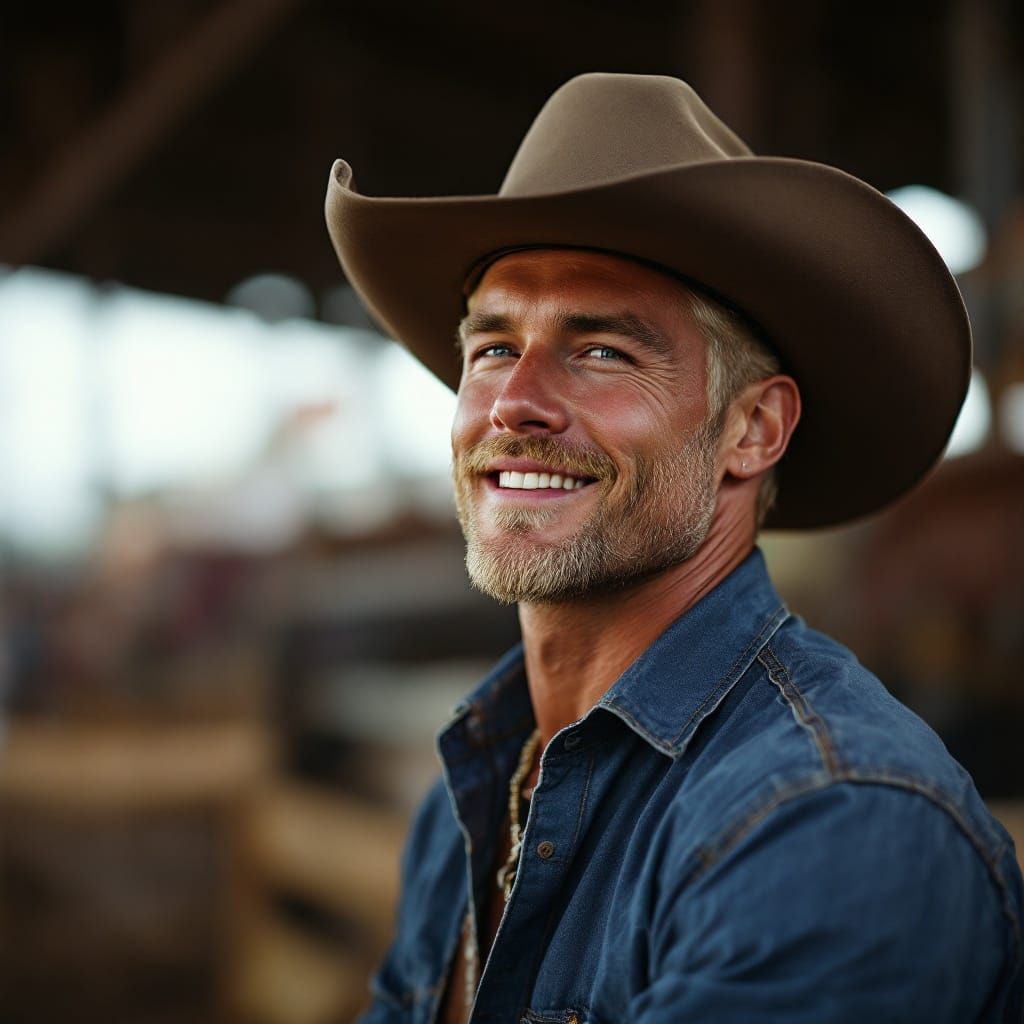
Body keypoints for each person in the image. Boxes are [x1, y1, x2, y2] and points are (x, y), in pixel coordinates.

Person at [325, 73, 1024, 1022]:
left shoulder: (828, 819)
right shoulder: (475, 793)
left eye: (602, 351)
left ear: (752, 430)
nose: (514, 401)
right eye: (492, 348)